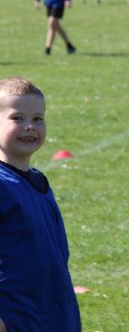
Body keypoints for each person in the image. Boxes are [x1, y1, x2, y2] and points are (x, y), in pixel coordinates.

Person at [0, 77, 81, 331]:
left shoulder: (38, 181)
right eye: (17, 118)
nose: (30, 126)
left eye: (38, 118)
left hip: (53, 316)